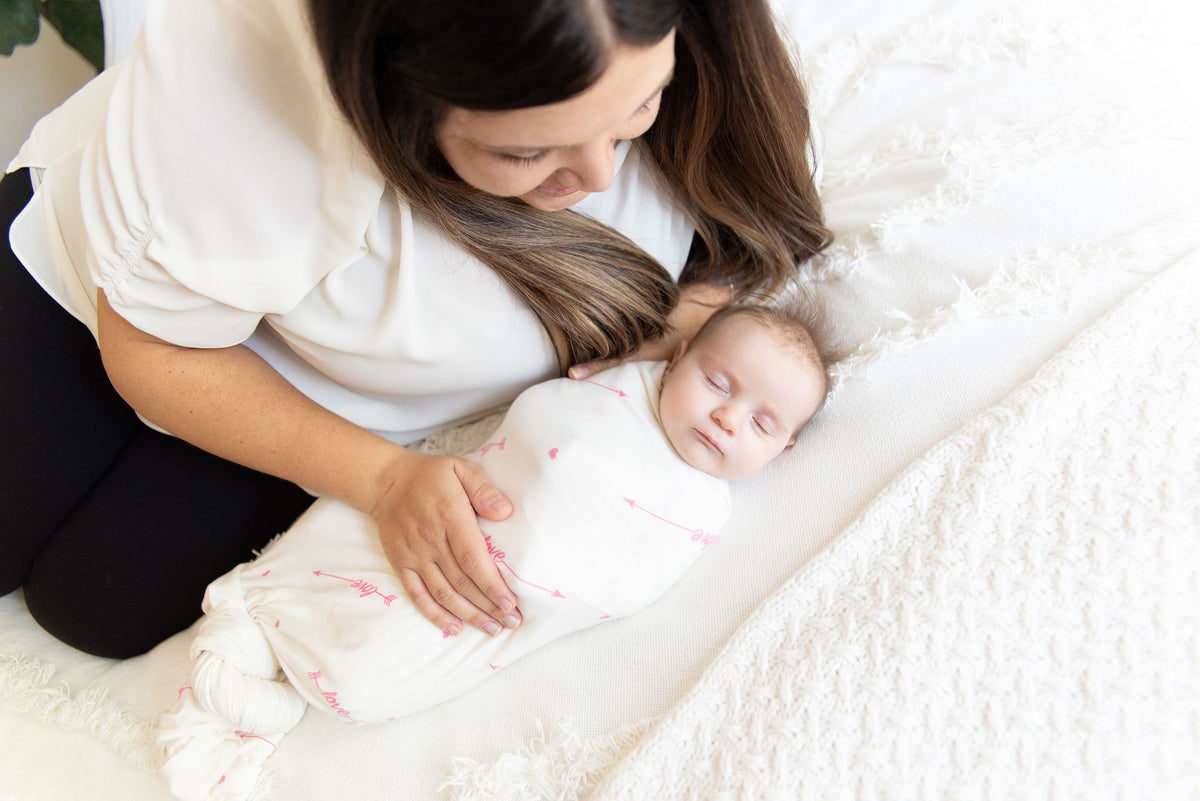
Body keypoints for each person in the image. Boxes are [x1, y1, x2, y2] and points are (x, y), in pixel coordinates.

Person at [0, 0, 831, 658]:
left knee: (95, 602)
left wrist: (680, 320)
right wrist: (386, 480)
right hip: (118, 296)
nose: (596, 176)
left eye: (639, 107)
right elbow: (153, 347)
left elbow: (753, 210)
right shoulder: (243, 102)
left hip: (312, 368)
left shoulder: (683, 35)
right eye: (527, 154)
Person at [156, 303, 830, 800]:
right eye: (718, 382)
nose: (727, 417)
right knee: (368, 541)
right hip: (473, 514)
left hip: (507, 603)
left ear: (785, 449)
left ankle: (281, 685)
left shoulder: (704, 507)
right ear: (675, 356)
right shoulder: (619, 392)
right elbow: (540, 428)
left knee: (372, 673)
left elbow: (617, 589)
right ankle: (259, 611)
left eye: (764, 423)